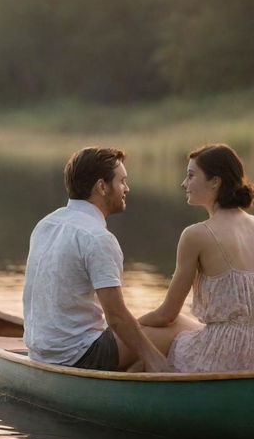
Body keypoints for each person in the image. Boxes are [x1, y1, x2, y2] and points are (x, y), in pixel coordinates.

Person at [138, 144, 254, 373]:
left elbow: (165, 314)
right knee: (177, 327)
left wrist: (129, 325)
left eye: (191, 176)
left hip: (229, 353)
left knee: (145, 339)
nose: (184, 184)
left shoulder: (196, 235)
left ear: (215, 181)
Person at [23, 146, 170, 373]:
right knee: (177, 326)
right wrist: (155, 358)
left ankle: (130, 377)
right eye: (122, 181)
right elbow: (117, 317)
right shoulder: (98, 238)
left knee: (145, 330)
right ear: (102, 186)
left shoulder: (47, 223)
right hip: (79, 356)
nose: (126, 188)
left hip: (41, 350)